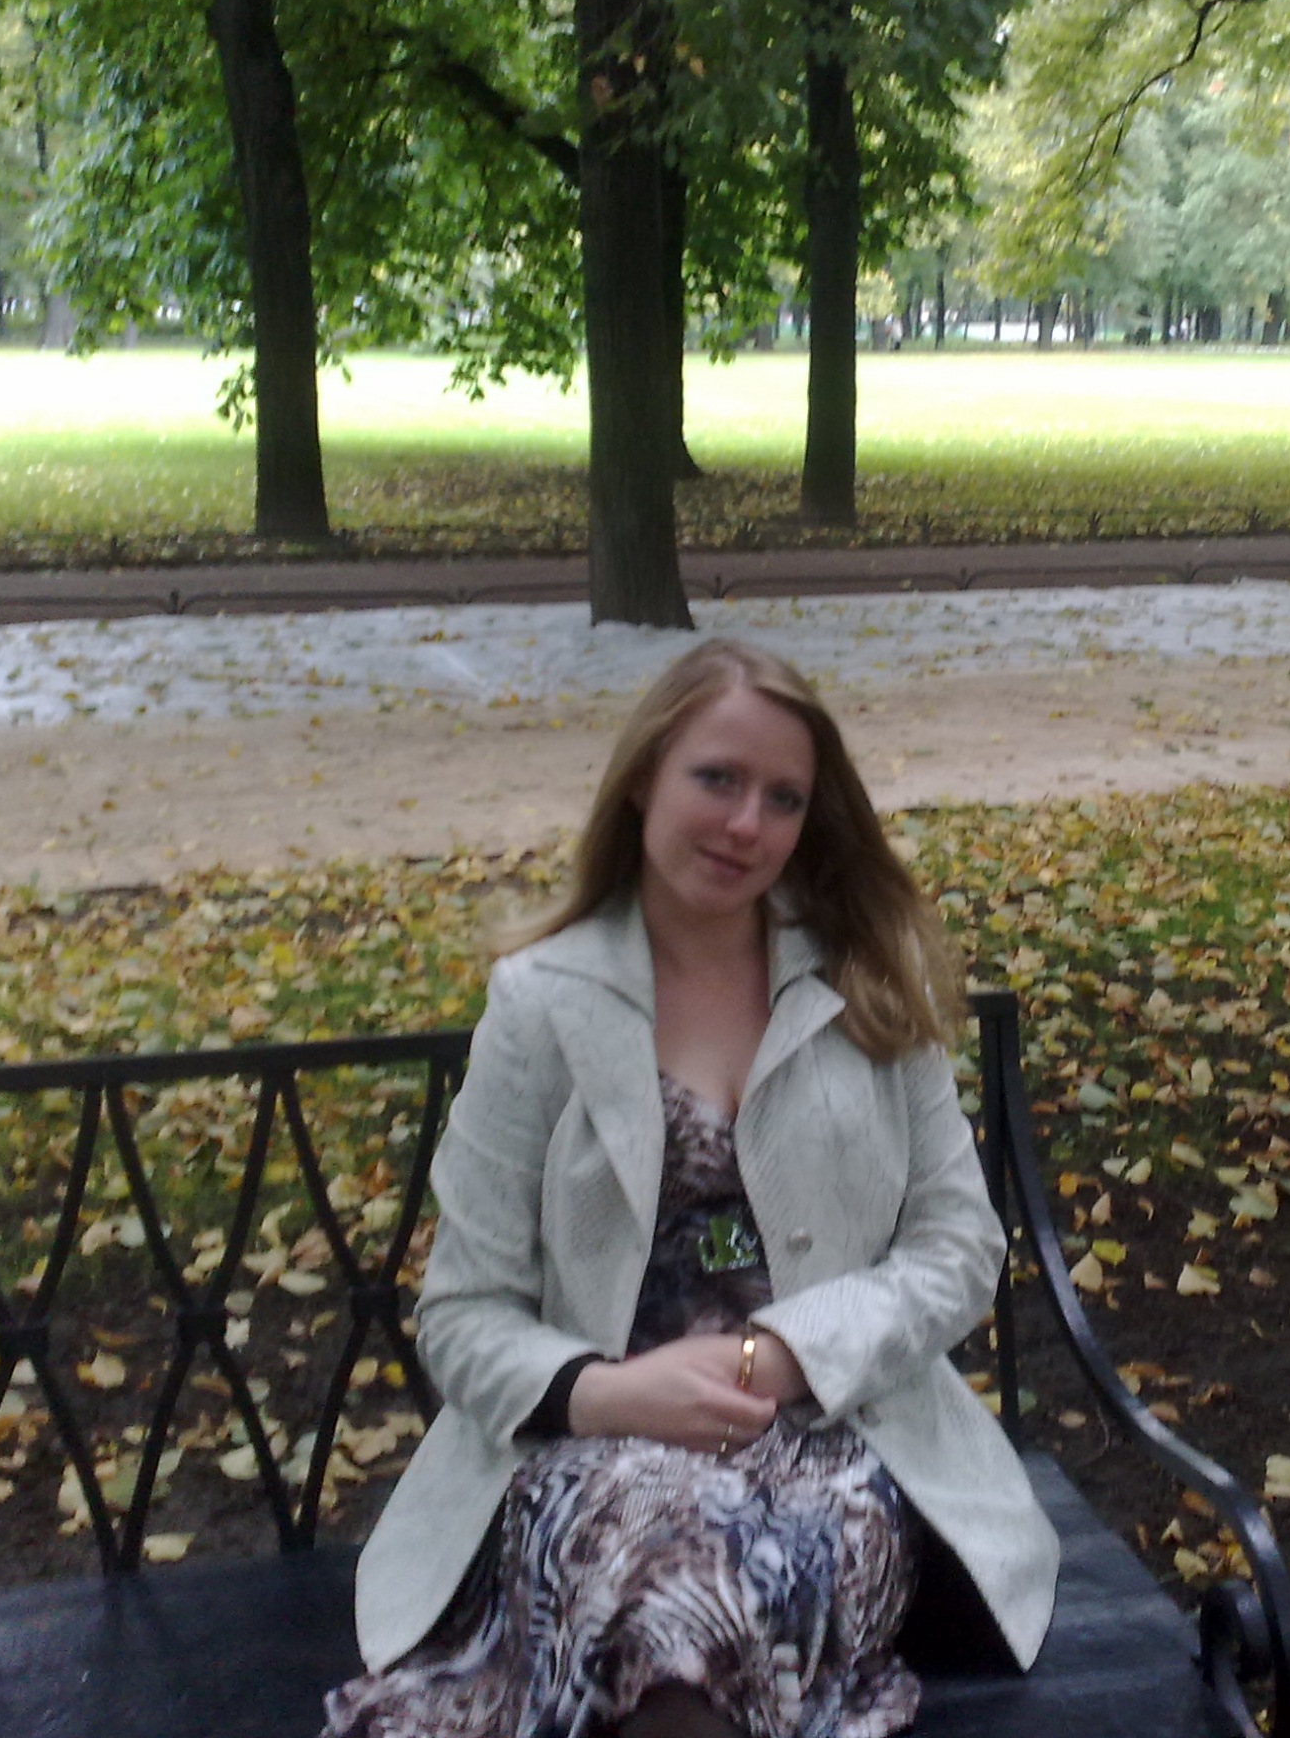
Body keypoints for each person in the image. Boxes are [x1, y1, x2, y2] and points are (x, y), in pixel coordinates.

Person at [329, 640, 1060, 1738]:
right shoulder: (541, 1004)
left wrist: (786, 1353)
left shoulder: (863, 980)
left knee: (732, 1583)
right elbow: (464, 1315)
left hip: (841, 1437)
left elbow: (957, 1248)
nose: (745, 825)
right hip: (587, 1454)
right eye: (716, 779)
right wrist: (607, 1394)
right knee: (667, 1586)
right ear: (642, 779)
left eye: (783, 799)